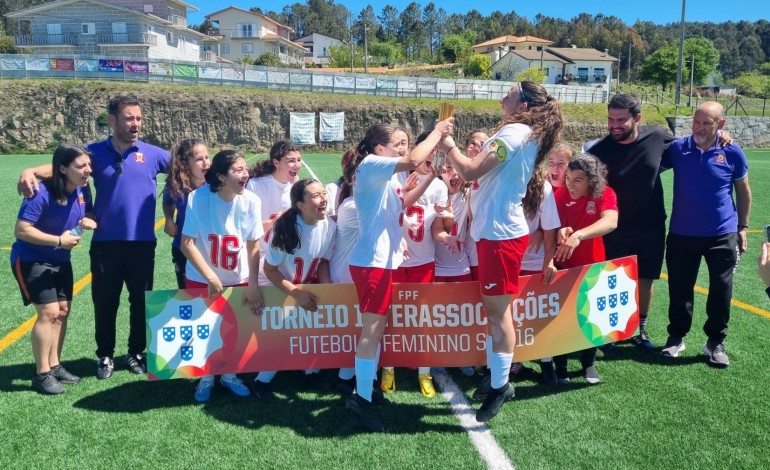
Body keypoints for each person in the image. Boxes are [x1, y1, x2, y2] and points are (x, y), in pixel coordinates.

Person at [18, 96, 170, 379]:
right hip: (105, 244)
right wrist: (29, 171)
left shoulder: (152, 153)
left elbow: (186, 170)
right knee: (105, 300)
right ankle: (105, 355)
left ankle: (136, 352)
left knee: (140, 300)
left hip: (142, 243)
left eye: (138, 118)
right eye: (129, 118)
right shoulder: (95, 153)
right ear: (113, 121)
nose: (135, 124)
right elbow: (60, 165)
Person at [440, 81, 563, 423]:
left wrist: (447, 142)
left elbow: (468, 171)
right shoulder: (517, 132)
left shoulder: (514, 134)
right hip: (494, 234)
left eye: (509, 92)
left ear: (523, 104)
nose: (502, 94)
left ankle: (501, 384)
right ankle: (498, 381)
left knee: (498, 315)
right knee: (496, 313)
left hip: (500, 236)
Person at [345, 119, 454, 433]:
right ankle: (361, 397)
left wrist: (427, 178)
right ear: (380, 148)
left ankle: (369, 390)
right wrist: (438, 131)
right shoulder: (373, 164)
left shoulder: (381, 173)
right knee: (371, 331)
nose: (404, 148)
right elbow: (412, 161)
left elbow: (400, 203)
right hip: (372, 264)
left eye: (407, 142)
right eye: (399, 143)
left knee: (376, 331)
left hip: (379, 263)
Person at [660, 101, 752, 367]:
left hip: (722, 234)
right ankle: (675, 338)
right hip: (681, 234)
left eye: (707, 123)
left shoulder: (732, 151)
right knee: (679, 288)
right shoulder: (678, 148)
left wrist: (743, 228)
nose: (699, 128)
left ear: (721, 124)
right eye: (696, 122)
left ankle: (715, 342)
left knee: (721, 291)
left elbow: (743, 192)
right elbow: (649, 164)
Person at [586, 94, 674, 350]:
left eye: (621, 120)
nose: (614, 125)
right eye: (611, 119)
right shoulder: (599, 151)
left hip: (651, 225)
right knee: (611, 279)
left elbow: (691, 147)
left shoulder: (657, 137)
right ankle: (610, 331)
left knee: (645, 278)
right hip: (614, 227)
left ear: (637, 118)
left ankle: (640, 328)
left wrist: (723, 139)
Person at [11, 144, 97, 394]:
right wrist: (59, 241)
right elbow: (22, 230)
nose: (87, 171)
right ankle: (42, 373)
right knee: (48, 312)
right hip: (31, 259)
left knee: (62, 310)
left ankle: (55, 364)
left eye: (88, 165)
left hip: (60, 260)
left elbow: (82, 214)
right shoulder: (40, 193)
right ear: (62, 169)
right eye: (80, 166)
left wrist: (85, 222)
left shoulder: (82, 189)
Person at [180, 150, 264, 401]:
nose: (245, 174)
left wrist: (252, 283)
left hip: (236, 276)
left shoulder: (251, 201)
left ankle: (229, 374)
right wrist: (209, 276)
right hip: (201, 276)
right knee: (204, 328)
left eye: (245, 169)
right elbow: (187, 243)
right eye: (238, 170)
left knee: (233, 331)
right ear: (220, 176)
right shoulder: (198, 198)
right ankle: (206, 377)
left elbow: (253, 246)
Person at [382, 130, 454, 399]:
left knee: (422, 318)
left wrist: (447, 236)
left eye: (436, 151)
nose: (432, 156)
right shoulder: (395, 176)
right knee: (389, 316)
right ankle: (388, 367)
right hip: (393, 260)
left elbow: (436, 228)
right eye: (428, 150)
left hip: (423, 261)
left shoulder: (439, 185)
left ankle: (423, 370)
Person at [262, 178, 337, 394]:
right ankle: (262, 381)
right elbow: (270, 270)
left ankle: (311, 372)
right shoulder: (286, 229)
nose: (323, 199)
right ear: (300, 205)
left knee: (312, 330)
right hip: (275, 283)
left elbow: (323, 260)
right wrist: (295, 294)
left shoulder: (329, 226)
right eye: (315, 195)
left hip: (303, 283)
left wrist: (327, 289)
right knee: (280, 334)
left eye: (323, 193)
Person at [552, 153, 618, 384]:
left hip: (592, 265)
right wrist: (560, 231)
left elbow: (610, 221)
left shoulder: (605, 194)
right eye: (568, 178)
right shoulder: (560, 195)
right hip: (563, 265)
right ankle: (561, 368)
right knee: (561, 318)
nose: (570, 184)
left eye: (577, 179)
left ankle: (588, 364)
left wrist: (580, 234)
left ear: (592, 179)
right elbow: (552, 225)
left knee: (592, 316)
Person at [162, 138, 211, 289]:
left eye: (207, 157)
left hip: (211, 249)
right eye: (198, 159)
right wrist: (169, 220)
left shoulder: (216, 183)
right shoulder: (177, 186)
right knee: (189, 296)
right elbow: (167, 202)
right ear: (185, 164)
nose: (206, 163)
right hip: (183, 249)